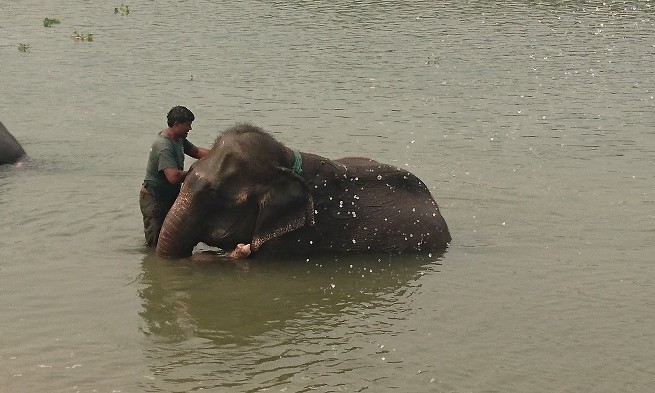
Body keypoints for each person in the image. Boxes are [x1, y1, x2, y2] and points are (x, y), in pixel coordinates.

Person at [139, 106, 209, 248]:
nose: (190, 128)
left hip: (169, 196)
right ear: (176, 124)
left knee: (172, 239)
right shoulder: (164, 145)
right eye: (188, 124)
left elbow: (196, 151)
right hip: (154, 200)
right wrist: (197, 172)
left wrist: (219, 154)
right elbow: (173, 177)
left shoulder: (178, 139)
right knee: (157, 244)